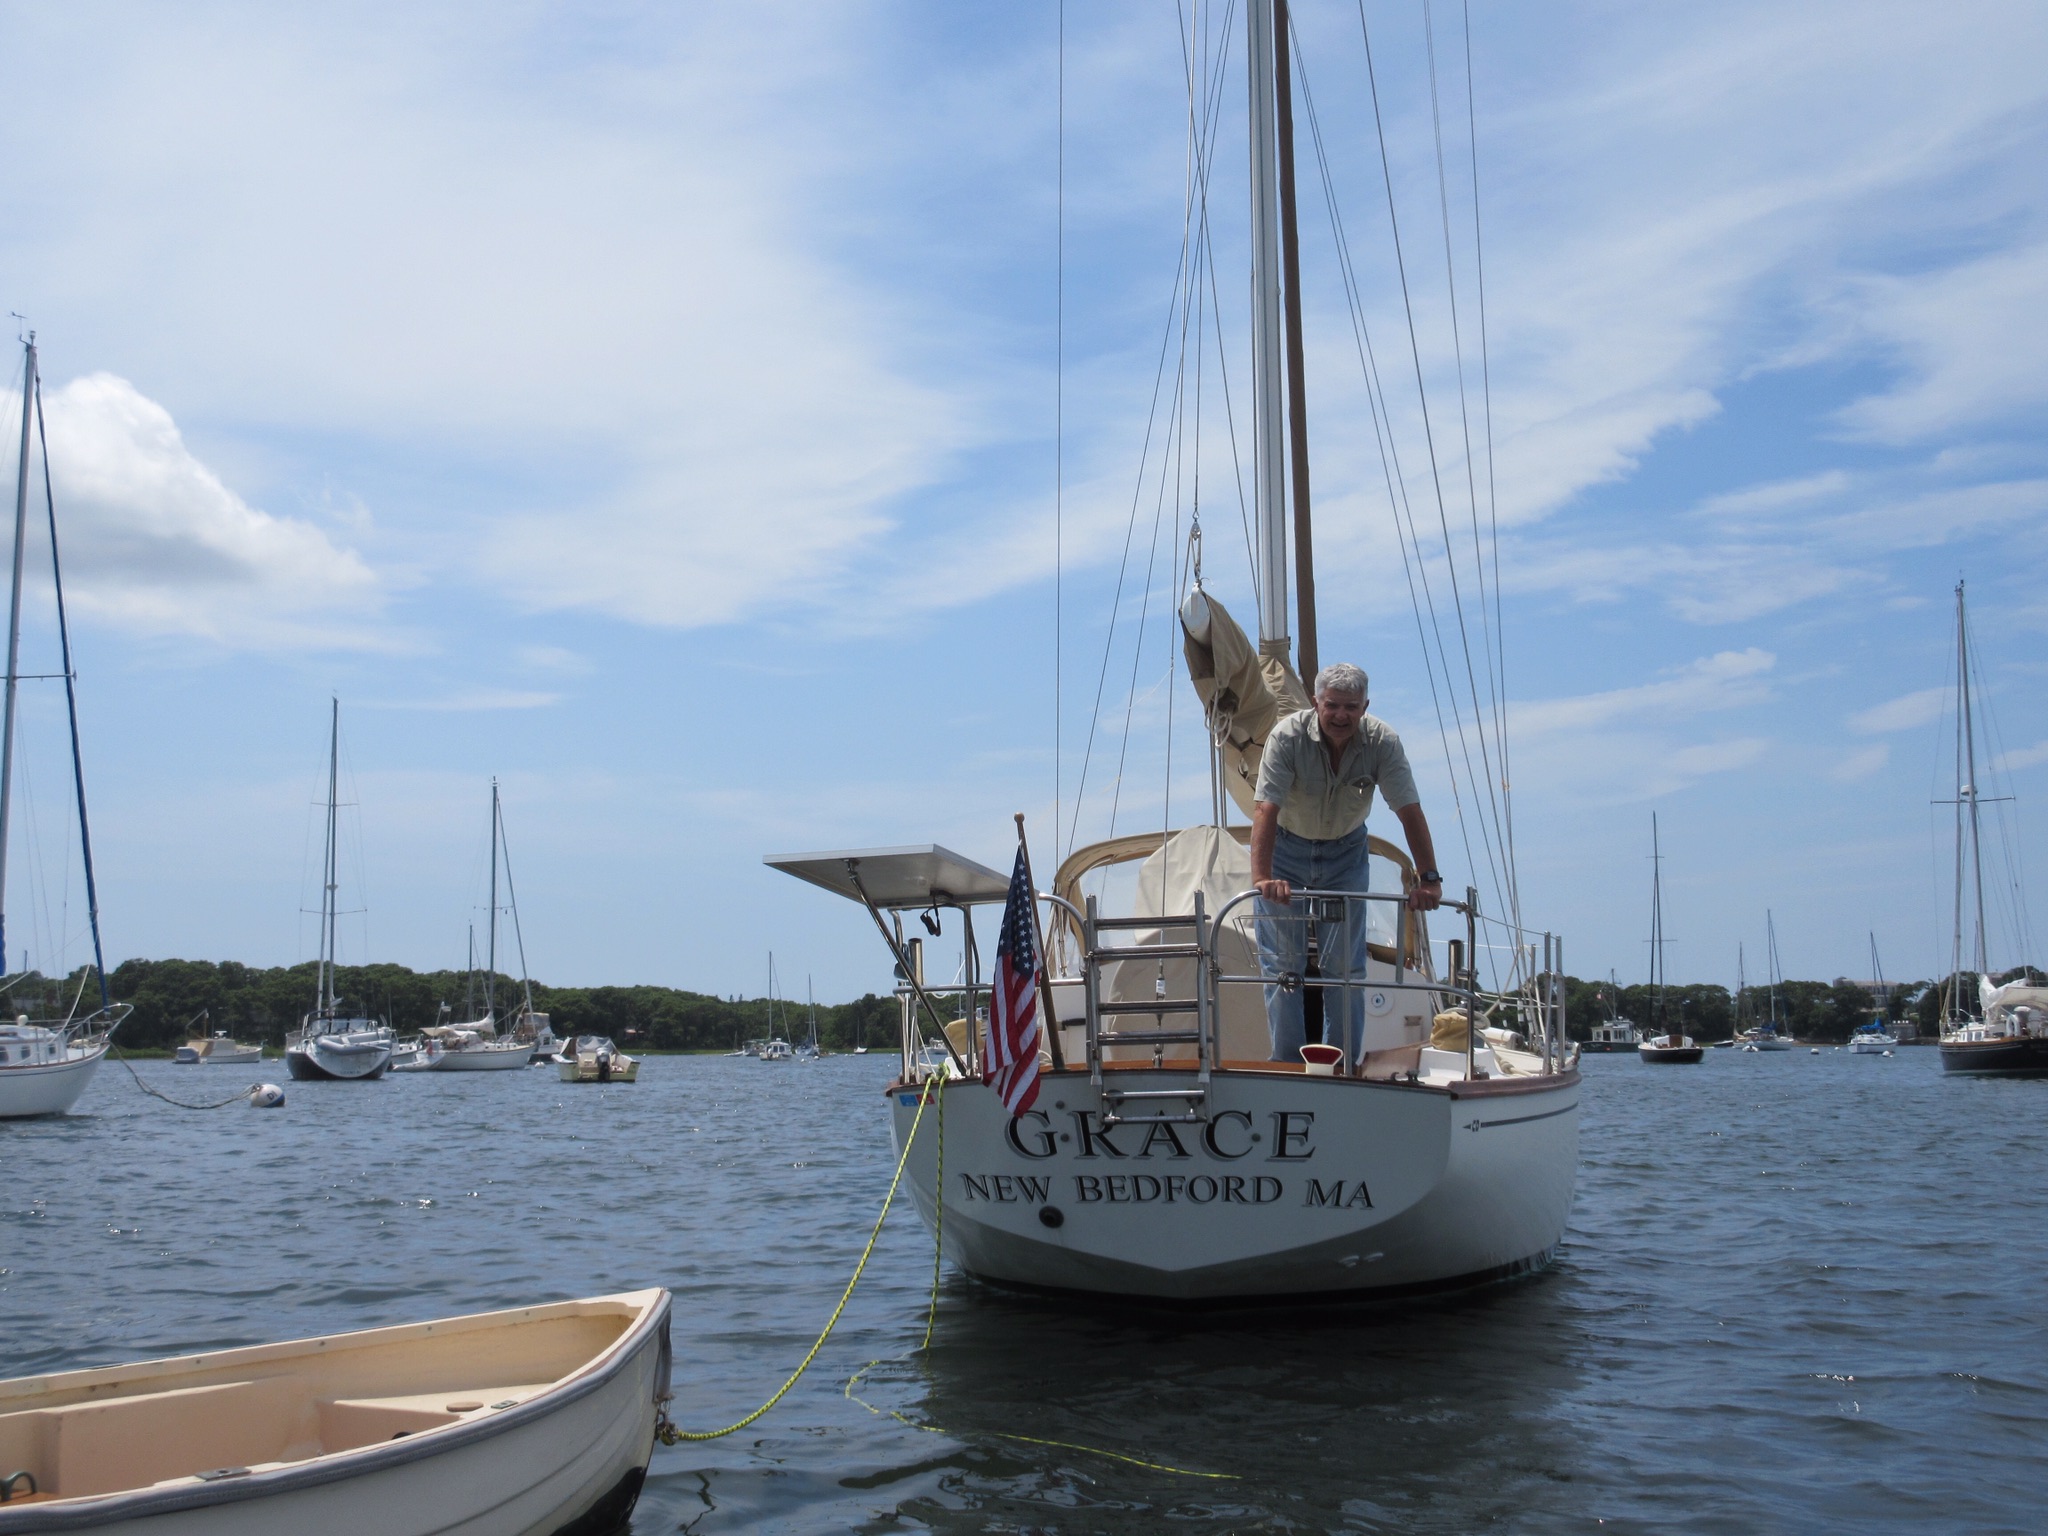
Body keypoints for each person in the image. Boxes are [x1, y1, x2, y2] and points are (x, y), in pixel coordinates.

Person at [1250, 662, 1442, 1064]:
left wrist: (1429, 880)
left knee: (1346, 970)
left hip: (1346, 853)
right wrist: (1263, 878)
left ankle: (1339, 1067)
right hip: (1286, 849)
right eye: (1332, 705)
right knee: (1284, 968)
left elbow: (1409, 809)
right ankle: (1286, 1064)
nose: (1341, 715)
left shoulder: (1383, 743)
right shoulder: (1286, 738)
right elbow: (1266, 809)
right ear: (1316, 703)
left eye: (1351, 707)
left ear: (1365, 706)